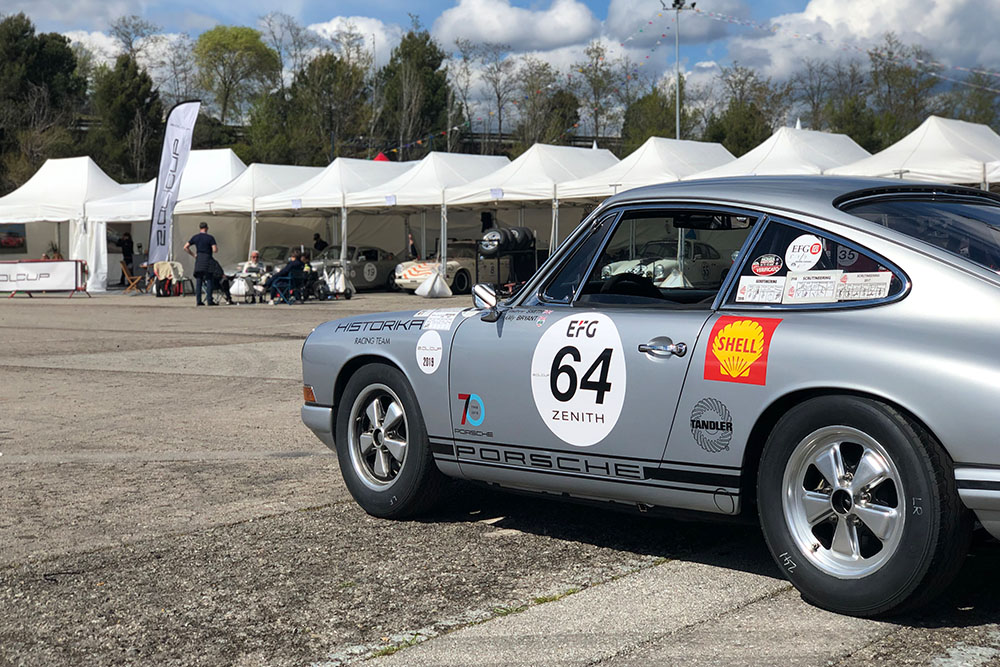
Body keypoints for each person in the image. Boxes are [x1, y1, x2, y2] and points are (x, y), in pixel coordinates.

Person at [183, 222, 219, 306]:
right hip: (207, 259)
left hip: (199, 259)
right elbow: (214, 250)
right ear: (206, 228)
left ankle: (198, 301)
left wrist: (193, 255)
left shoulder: (195, 237)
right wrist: (215, 248)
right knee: (209, 279)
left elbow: (185, 247)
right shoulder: (210, 238)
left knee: (199, 280)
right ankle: (209, 300)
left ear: (200, 228)